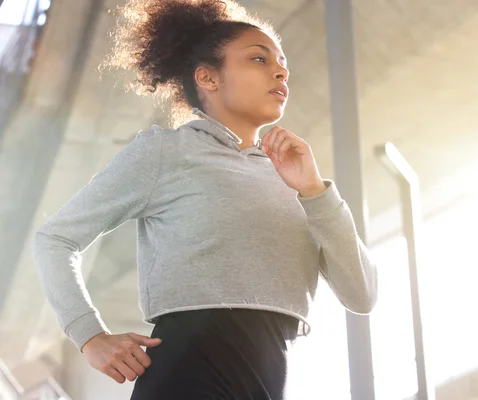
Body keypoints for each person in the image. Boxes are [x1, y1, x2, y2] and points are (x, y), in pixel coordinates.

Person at [32, 0, 378, 398]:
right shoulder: (166, 151)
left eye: (282, 63)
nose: (281, 70)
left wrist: (315, 191)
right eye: (258, 59)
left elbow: (362, 294)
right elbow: (55, 239)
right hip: (187, 376)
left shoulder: (297, 179)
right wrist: (89, 335)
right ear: (208, 78)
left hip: (267, 379)